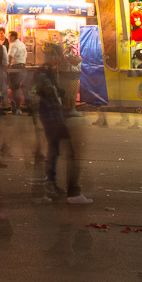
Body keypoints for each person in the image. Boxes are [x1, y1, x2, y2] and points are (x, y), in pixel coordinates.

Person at [34, 64, 90, 204]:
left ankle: (52, 184)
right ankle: (71, 191)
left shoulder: (48, 74)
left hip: (54, 118)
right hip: (53, 119)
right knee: (68, 152)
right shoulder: (44, 75)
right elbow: (49, 94)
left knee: (56, 151)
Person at [6, 29, 27, 113]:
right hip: (22, 67)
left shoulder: (13, 45)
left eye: (9, 36)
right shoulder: (22, 44)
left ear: (13, 37)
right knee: (16, 87)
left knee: (14, 88)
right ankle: (16, 108)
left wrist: (8, 66)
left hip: (15, 68)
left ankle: (16, 109)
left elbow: (10, 56)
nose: (8, 38)